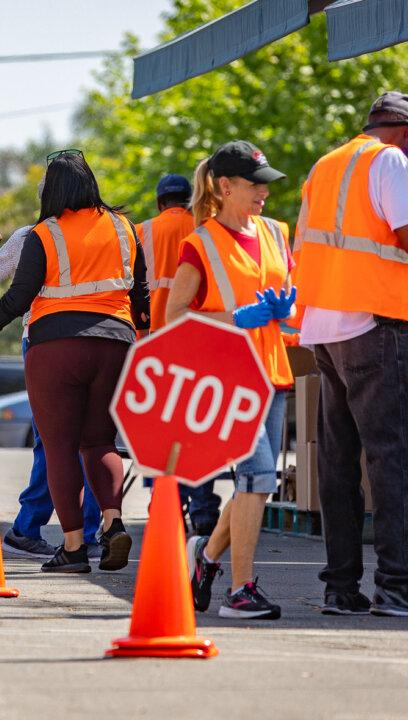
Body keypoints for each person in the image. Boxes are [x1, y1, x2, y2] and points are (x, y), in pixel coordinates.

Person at [0, 150, 149, 573]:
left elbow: (21, 295)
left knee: (60, 448)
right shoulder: (125, 227)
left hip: (56, 348)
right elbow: (141, 294)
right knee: (100, 440)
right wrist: (139, 336)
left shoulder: (44, 234)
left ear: (52, 191)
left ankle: (71, 548)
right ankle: (112, 522)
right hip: (116, 344)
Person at [169, 141, 295, 620]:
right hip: (228, 380)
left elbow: (289, 305)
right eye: (253, 184)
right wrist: (236, 318)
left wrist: (286, 315)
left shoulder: (277, 234)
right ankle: (240, 590)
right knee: (257, 476)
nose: (263, 192)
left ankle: (204, 556)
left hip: (272, 371)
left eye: (265, 183)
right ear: (225, 187)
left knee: (255, 484)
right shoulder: (200, 243)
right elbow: (175, 317)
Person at [293, 92, 408, 617]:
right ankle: (397, 585)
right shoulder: (390, 160)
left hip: (325, 327)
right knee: (391, 456)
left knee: (339, 463)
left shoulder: (325, 165)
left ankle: (341, 587)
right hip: (375, 323)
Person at [0, 217, 102, 560]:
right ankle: (76, 532)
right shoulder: (98, 232)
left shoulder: (32, 234)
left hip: (51, 341)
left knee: (61, 440)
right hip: (87, 341)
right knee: (75, 440)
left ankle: (47, 529)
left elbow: (0, 270)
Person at [137, 174, 220, 537]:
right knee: (198, 426)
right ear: (189, 201)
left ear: (159, 202)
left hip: (156, 340)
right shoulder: (207, 230)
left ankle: (163, 504)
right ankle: (202, 509)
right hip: (198, 336)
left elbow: (132, 290)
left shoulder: (141, 232)